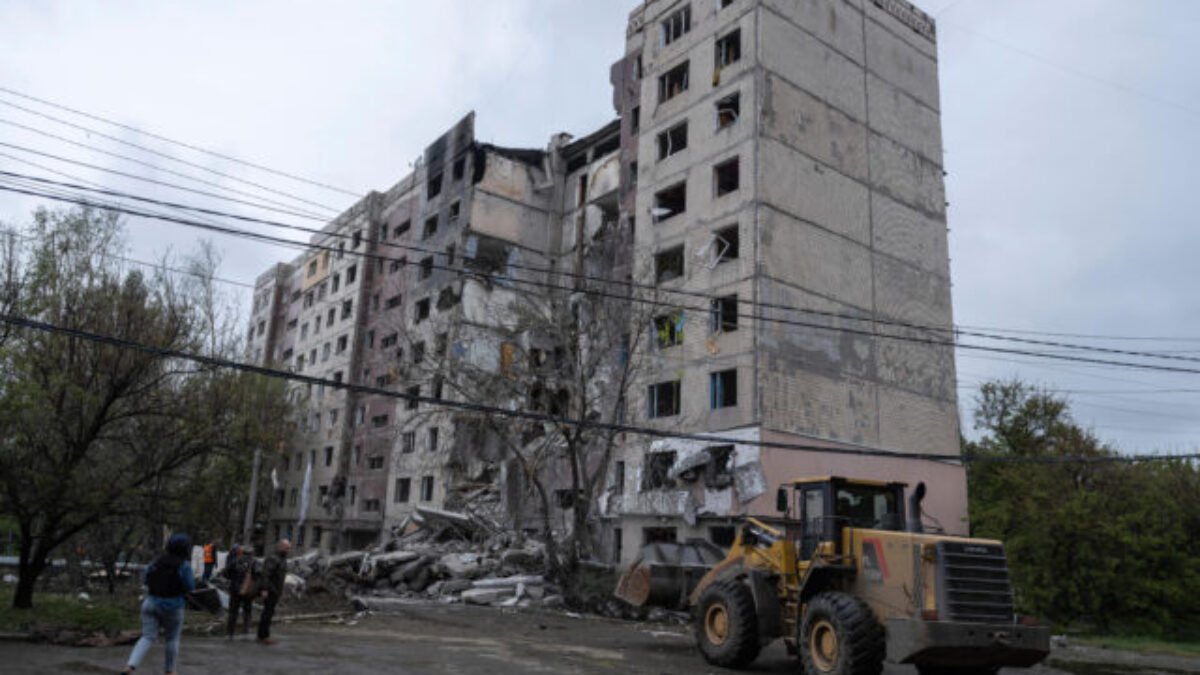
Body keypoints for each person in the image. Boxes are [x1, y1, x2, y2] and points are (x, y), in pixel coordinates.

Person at [123, 533, 195, 675]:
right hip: (173, 606)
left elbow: (145, 579)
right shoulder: (184, 565)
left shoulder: (156, 562)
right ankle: (170, 671)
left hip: (150, 603)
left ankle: (130, 665)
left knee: (147, 637)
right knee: (172, 639)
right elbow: (190, 586)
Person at [257, 538, 291, 644]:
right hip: (270, 589)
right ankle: (263, 636)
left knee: (269, 612)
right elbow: (266, 574)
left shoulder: (282, 559)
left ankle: (263, 635)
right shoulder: (273, 558)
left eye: (289, 548)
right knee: (267, 613)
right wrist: (264, 589)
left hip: (276, 590)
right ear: (280, 546)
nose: (288, 550)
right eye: (286, 548)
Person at [221, 544, 256, 638]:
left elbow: (225, 573)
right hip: (248, 590)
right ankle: (245, 631)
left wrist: (234, 578)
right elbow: (258, 575)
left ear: (242, 552)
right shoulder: (254, 562)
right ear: (252, 553)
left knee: (233, 611)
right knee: (247, 611)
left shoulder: (235, 561)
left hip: (235, 589)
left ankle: (230, 632)